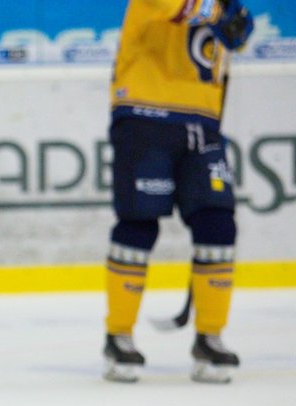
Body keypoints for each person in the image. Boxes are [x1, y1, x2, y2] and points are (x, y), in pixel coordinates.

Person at [102, 0, 254, 383]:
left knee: (218, 224)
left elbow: (233, 39)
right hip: (144, 114)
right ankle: (118, 336)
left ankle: (210, 337)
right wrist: (224, 15)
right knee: (139, 223)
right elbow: (185, 7)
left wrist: (238, 25)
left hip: (201, 121)